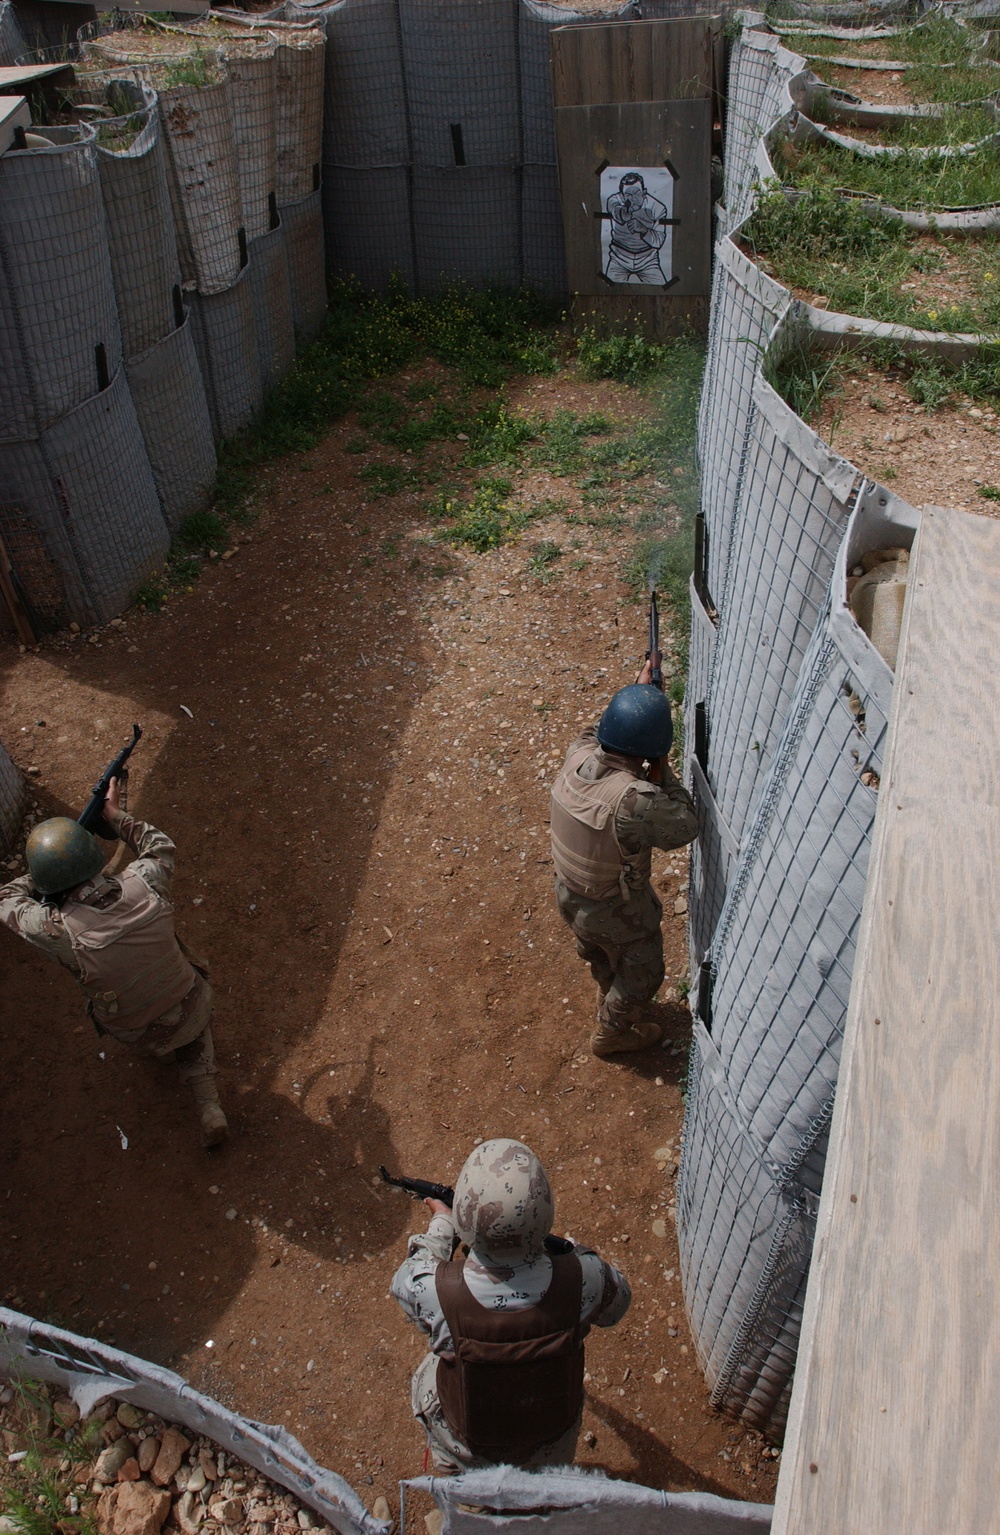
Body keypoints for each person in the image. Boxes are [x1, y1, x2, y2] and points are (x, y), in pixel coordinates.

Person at [0, 780, 227, 1148]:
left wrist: (45, 873)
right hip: (190, 1003)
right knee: (190, 1023)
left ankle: (162, 1051)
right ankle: (209, 1104)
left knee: (150, 1025)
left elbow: (6, 898)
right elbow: (158, 844)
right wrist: (113, 815)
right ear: (93, 856)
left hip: (132, 1029)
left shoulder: (55, 931)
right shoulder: (146, 881)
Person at [391, 1138, 630, 1471]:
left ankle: (466, 1501)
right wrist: (576, 1252)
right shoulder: (585, 1278)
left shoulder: (434, 1289)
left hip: (466, 1445)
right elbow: (618, 1305)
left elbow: (407, 1279)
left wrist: (442, 1225)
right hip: (550, 1443)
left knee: (428, 1371)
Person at [550, 659, 698, 1057]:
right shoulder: (634, 801)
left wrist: (636, 693)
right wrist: (664, 770)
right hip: (616, 912)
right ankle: (612, 1034)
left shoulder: (576, 756)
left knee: (601, 957)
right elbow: (685, 826)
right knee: (644, 975)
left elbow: (595, 732)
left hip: (570, 897)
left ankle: (607, 994)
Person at [604, 172, 669, 285]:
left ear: (644, 193)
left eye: (636, 193)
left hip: (648, 260)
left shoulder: (657, 208)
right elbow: (615, 209)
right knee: (606, 288)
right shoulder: (615, 200)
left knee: (664, 288)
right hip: (619, 258)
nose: (633, 199)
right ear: (622, 195)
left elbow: (659, 241)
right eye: (628, 195)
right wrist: (625, 212)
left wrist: (643, 229)